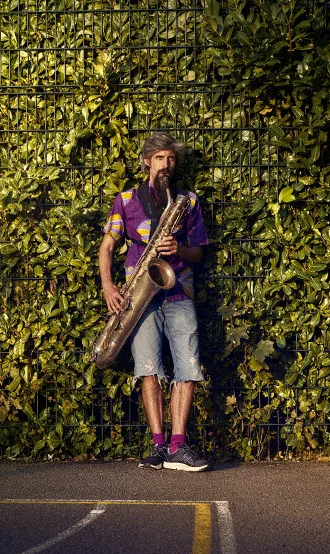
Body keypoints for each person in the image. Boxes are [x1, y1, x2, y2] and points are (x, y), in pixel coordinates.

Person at [98, 132, 212, 472]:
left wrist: (179, 250)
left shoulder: (187, 201)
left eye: (171, 159)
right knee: (147, 368)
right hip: (139, 294)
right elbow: (106, 247)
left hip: (180, 291)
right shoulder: (126, 199)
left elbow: (200, 252)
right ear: (147, 160)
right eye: (160, 158)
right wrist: (107, 286)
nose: (166, 164)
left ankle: (179, 446)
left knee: (188, 367)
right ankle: (158, 445)